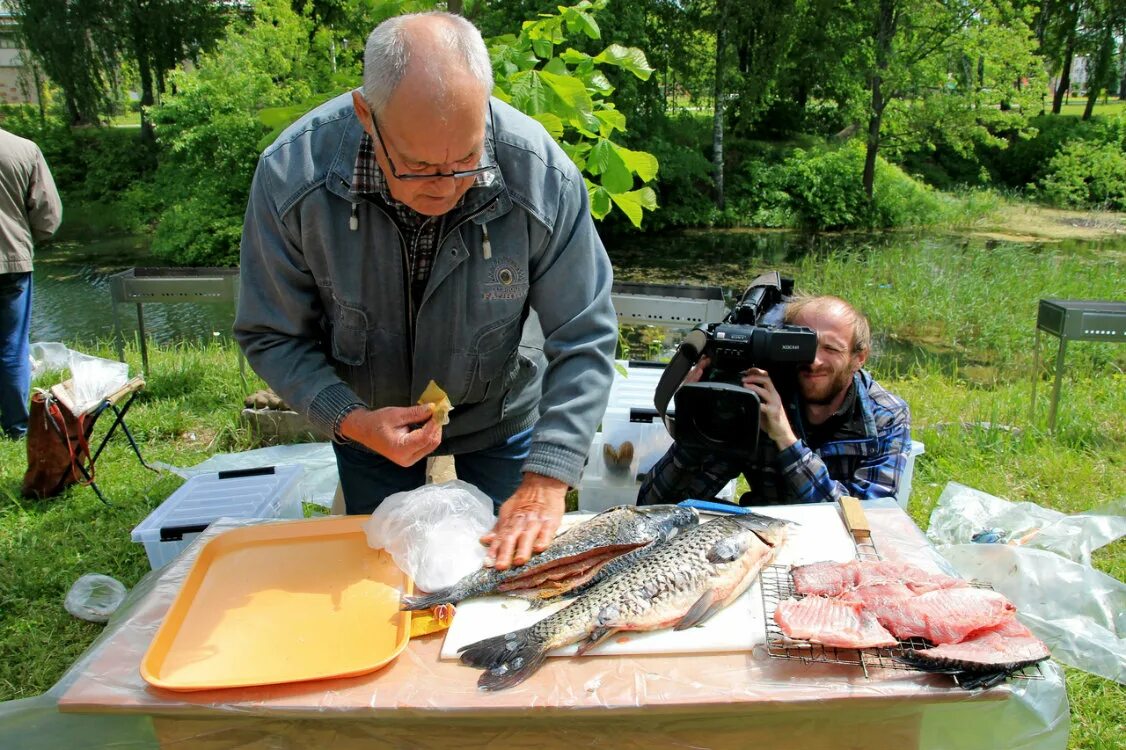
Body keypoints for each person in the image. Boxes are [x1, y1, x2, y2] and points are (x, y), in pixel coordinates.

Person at [235, 12, 617, 570]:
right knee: (382, 574)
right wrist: (348, 417)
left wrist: (549, 474)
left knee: (509, 569)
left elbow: (584, 333)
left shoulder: (540, 176)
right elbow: (271, 334)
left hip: (501, 405)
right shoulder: (292, 179)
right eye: (417, 166)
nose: (447, 186)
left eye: (466, 159)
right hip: (369, 417)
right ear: (366, 114)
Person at [638, 294, 910, 505]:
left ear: (858, 358)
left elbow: (865, 525)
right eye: (802, 345)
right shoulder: (758, 399)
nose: (814, 361)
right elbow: (657, 505)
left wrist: (786, 440)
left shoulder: (884, 415)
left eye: (831, 348)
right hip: (764, 538)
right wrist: (697, 422)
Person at [1, 127, 62, 440]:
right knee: (11, 346)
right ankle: (17, 427)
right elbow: (47, 214)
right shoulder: (22, 149)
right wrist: (32, 238)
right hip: (10, 260)